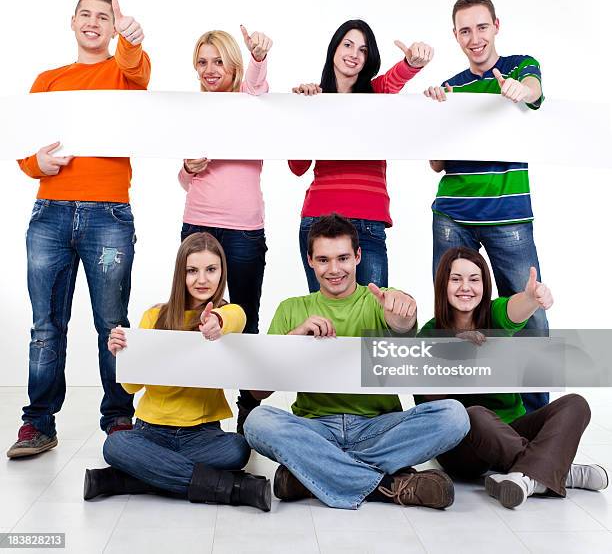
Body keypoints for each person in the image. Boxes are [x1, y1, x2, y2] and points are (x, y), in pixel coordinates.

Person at [7, 0, 151, 459]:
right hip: (49, 213)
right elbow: (25, 147)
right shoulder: (48, 80)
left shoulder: (122, 73)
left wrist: (132, 39)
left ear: (113, 27)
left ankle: (118, 418)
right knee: (46, 325)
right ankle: (38, 423)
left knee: (111, 322)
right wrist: (37, 164)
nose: (93, 23)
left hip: (107, 213)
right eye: (86, 15)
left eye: (104, 17)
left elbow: (137, 68)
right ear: (72, 22)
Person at [244, 214, 470, 510]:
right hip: (315, 428)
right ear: (310, 260)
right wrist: (295, 340)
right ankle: (388, 486)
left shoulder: (379, 300)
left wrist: (403, 319)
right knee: (257, 422)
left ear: (358, 257)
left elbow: (403, 325)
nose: (334, 269)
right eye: (323, 260)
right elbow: (258, 394)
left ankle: (312, 472)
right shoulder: (291, 308)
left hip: (377, 428)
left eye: (343, 258)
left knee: (455, 416)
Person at [423, 0, 548, 412]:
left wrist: (518, 90)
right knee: (452, 315)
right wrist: (436, 113)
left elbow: (534, 92)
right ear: (455, 35)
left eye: (481, 27)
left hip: (508, 215)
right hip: (453, 215)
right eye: (464, 30)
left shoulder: (519, 67)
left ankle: (535, 418)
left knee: (529, 313)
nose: (474, 38)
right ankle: (455, 414)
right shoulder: (452, 86)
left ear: (496, 25)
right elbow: (437, 163)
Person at [84, 232, 271, 511]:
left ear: (222, 273)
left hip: (202, 434)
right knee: (115, 445)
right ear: (180, 274)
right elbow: (131, 388)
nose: (202, 279)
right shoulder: (155, 316)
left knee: (238, 450)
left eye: (211, 270)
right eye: (192, 271)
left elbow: (238, 317)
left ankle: (130, 480)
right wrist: (122, 355)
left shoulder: (227, 315)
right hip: (151, 431)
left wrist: (217, 320)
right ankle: (232, 488)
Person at [415, 247, 608, 509]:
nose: (466, 287)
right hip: (461, 447)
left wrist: (530, 298)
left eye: (474, 279)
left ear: (484, 285)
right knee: (475, 414)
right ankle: (559, 471)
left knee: (576, 403)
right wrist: (454, 353)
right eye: (456, 279)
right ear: (443, 285)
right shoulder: (429, 334)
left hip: (510, 430)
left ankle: (525, 478)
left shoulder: (493, 314)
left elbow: (514, 310)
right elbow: (432, 411)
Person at [290, 19, 433, 292]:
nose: (354, 54)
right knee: (327, 321)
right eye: (347, 45)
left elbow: (394, 80)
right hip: (319, 219)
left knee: (375, 318)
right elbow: (297, 167)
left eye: (363, 50)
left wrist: (411, 63)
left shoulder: (376, 94)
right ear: (334, 49)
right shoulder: (314, 98)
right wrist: (303, 111)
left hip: (368, 222)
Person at [178, 27, 271, 435]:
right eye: (203, 62)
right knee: (194, 317)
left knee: (245, 319)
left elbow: (256, 83)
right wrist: (188, 167)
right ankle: (197, 407)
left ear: (233, 64)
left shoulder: (250, 102)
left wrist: (259, 57)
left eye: (219, 61)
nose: (210, 69)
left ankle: (248, 406)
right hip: (198, 221)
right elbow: (185, 178)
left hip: (244, 229)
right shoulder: (193, 110)